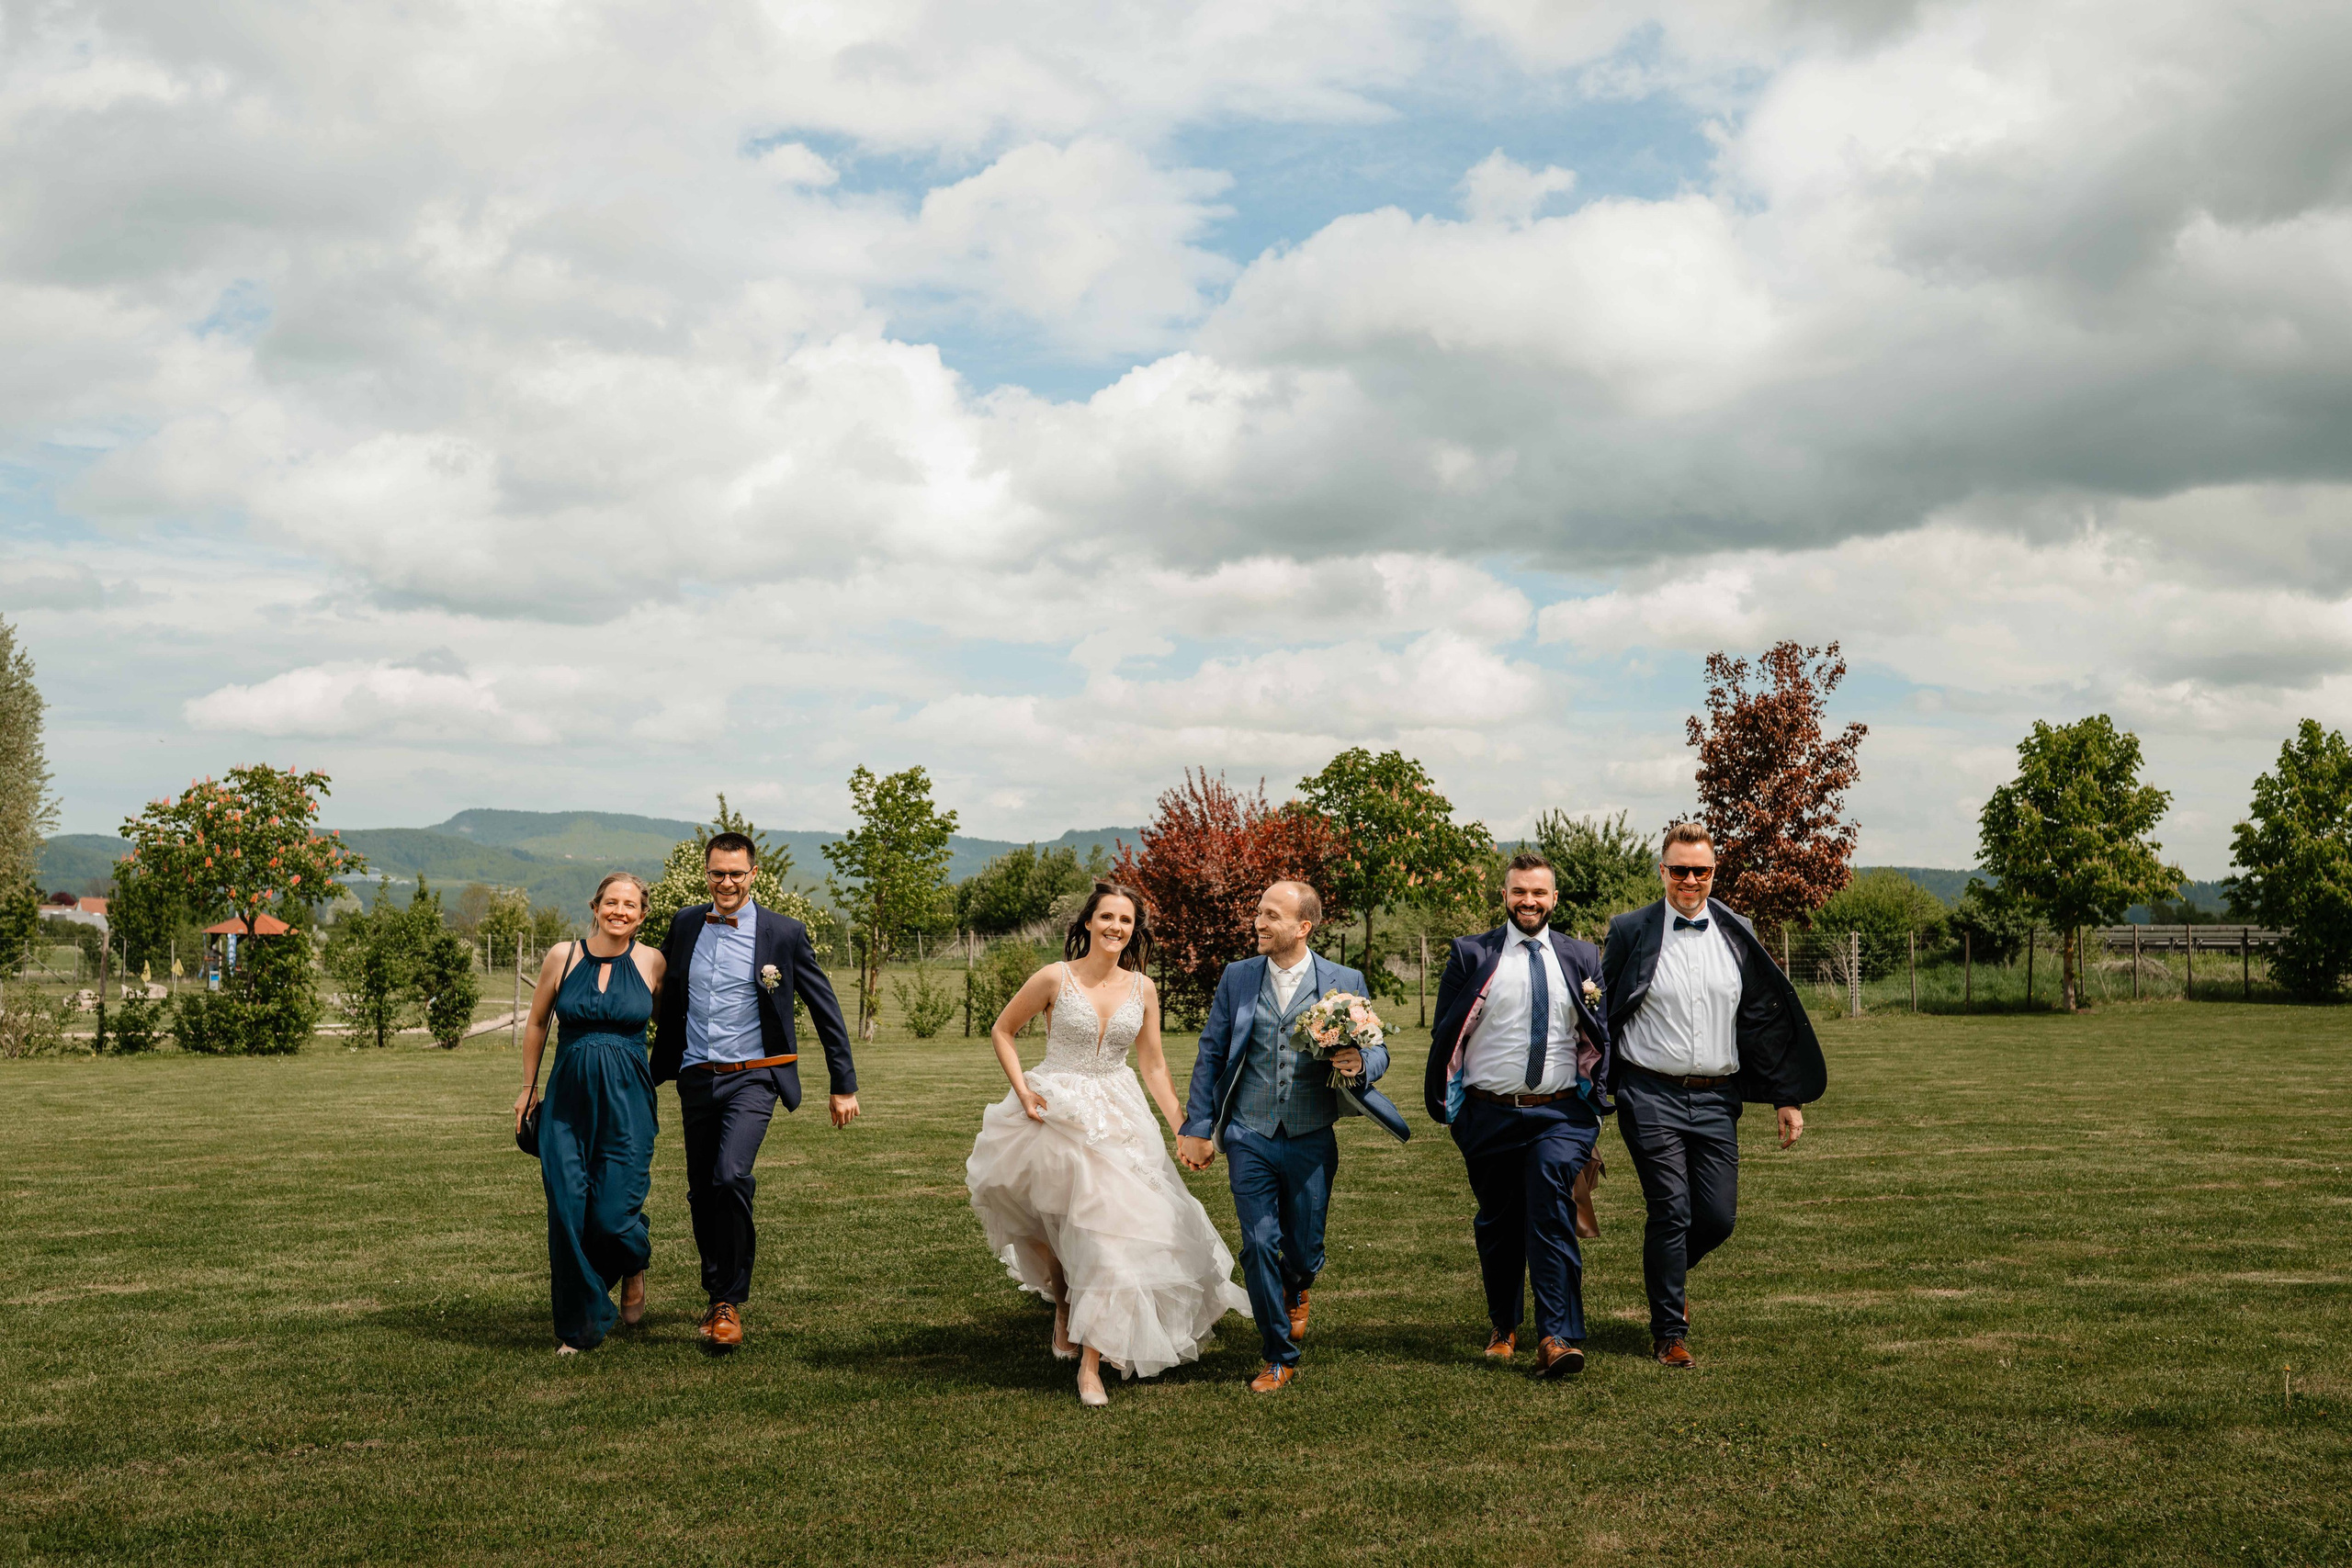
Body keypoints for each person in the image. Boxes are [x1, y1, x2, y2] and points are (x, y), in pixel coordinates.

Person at [966, 882, 1249, 1406]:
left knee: (1111, 1231)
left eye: (1126, 920)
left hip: (1121, 1113)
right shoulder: (1054, 977)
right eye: (1107, 917)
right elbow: (1002, 1030)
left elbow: (1154, 1064)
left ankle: (1091, 1364)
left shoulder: (1143, 988)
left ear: (1133, 929)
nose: (1117, 927)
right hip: (1056, 1108)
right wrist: (1024, 1092)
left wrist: (1183, 1126)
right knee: (1057, 1222)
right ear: (1089, 923)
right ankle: (1064, 1304)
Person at [1600, 822, 1826, 1368]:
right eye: (1679, 869)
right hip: (1649, 1092)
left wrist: (1785, 1097)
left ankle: (1665, 1273)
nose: (1690, 880)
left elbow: (1758, 1022)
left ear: (1713, 872)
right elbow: (1603, 1013)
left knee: (1718, 1218)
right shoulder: (1630, 931)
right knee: (1671, 1208)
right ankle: (1668, 1333)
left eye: (1700, 870)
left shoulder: (1738, 930)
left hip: (1718, 1097)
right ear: (1663, 871)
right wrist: (1594, 1094)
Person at [1176, 881, 1407, 1393]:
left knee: (1302, 1251)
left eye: (1270, 915)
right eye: (1258, 912)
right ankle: (1278, 1354)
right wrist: (1197, 1126)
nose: (1258, 922)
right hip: (1248, 1133)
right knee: (1258, 1244)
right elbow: (1211, 1053)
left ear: (1303, 927)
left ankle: (1298, 1287)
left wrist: (1359, 1061)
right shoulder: (1237, 977)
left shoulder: (1343, 979)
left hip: (1310, 1134)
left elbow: (1378, 1050)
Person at [652, 831, 857, 1351]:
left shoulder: (783, 934)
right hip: (697, 1075)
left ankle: (729, 1302)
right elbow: (666, 996)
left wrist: (843, 1084)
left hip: (756, 1074)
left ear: (753, 875)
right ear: (707, 873)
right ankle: (717, 1296)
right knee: (702, 1190)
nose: (726, 882)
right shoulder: (684, 925)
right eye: (717, 873)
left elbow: (823, 1006)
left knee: (731, 1174)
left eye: (736, 873)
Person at [1422, 852, 1612, 1379]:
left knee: (1550, 1211)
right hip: (1487, 1115)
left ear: (1554, 898)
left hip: (1560, 1115)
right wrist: (1453, 1110)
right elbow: (1445, 1034)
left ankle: (1558, 1337)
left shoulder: (1582, 956)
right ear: (1505, 896)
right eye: (1518, 891)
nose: (1528, 901)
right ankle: (1503, 1324)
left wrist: (1595, 1097)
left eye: (1539, 892)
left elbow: (1599, 1032)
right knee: (1498, 1223)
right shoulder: (1470, 953)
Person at [514, 872, 665, 1355]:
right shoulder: (563, 955)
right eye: (612, 902)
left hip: (628, 1102)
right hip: (567, 1103)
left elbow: (677, 1025)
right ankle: (579, 1328)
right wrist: (527, 1088)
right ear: (595, 906)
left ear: (642, 915)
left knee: (613, 1217)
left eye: (630, 905)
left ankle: (633, 1259)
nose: (620, 911)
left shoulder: (653, 962)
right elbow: (538, 1022)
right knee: (567, 1211)